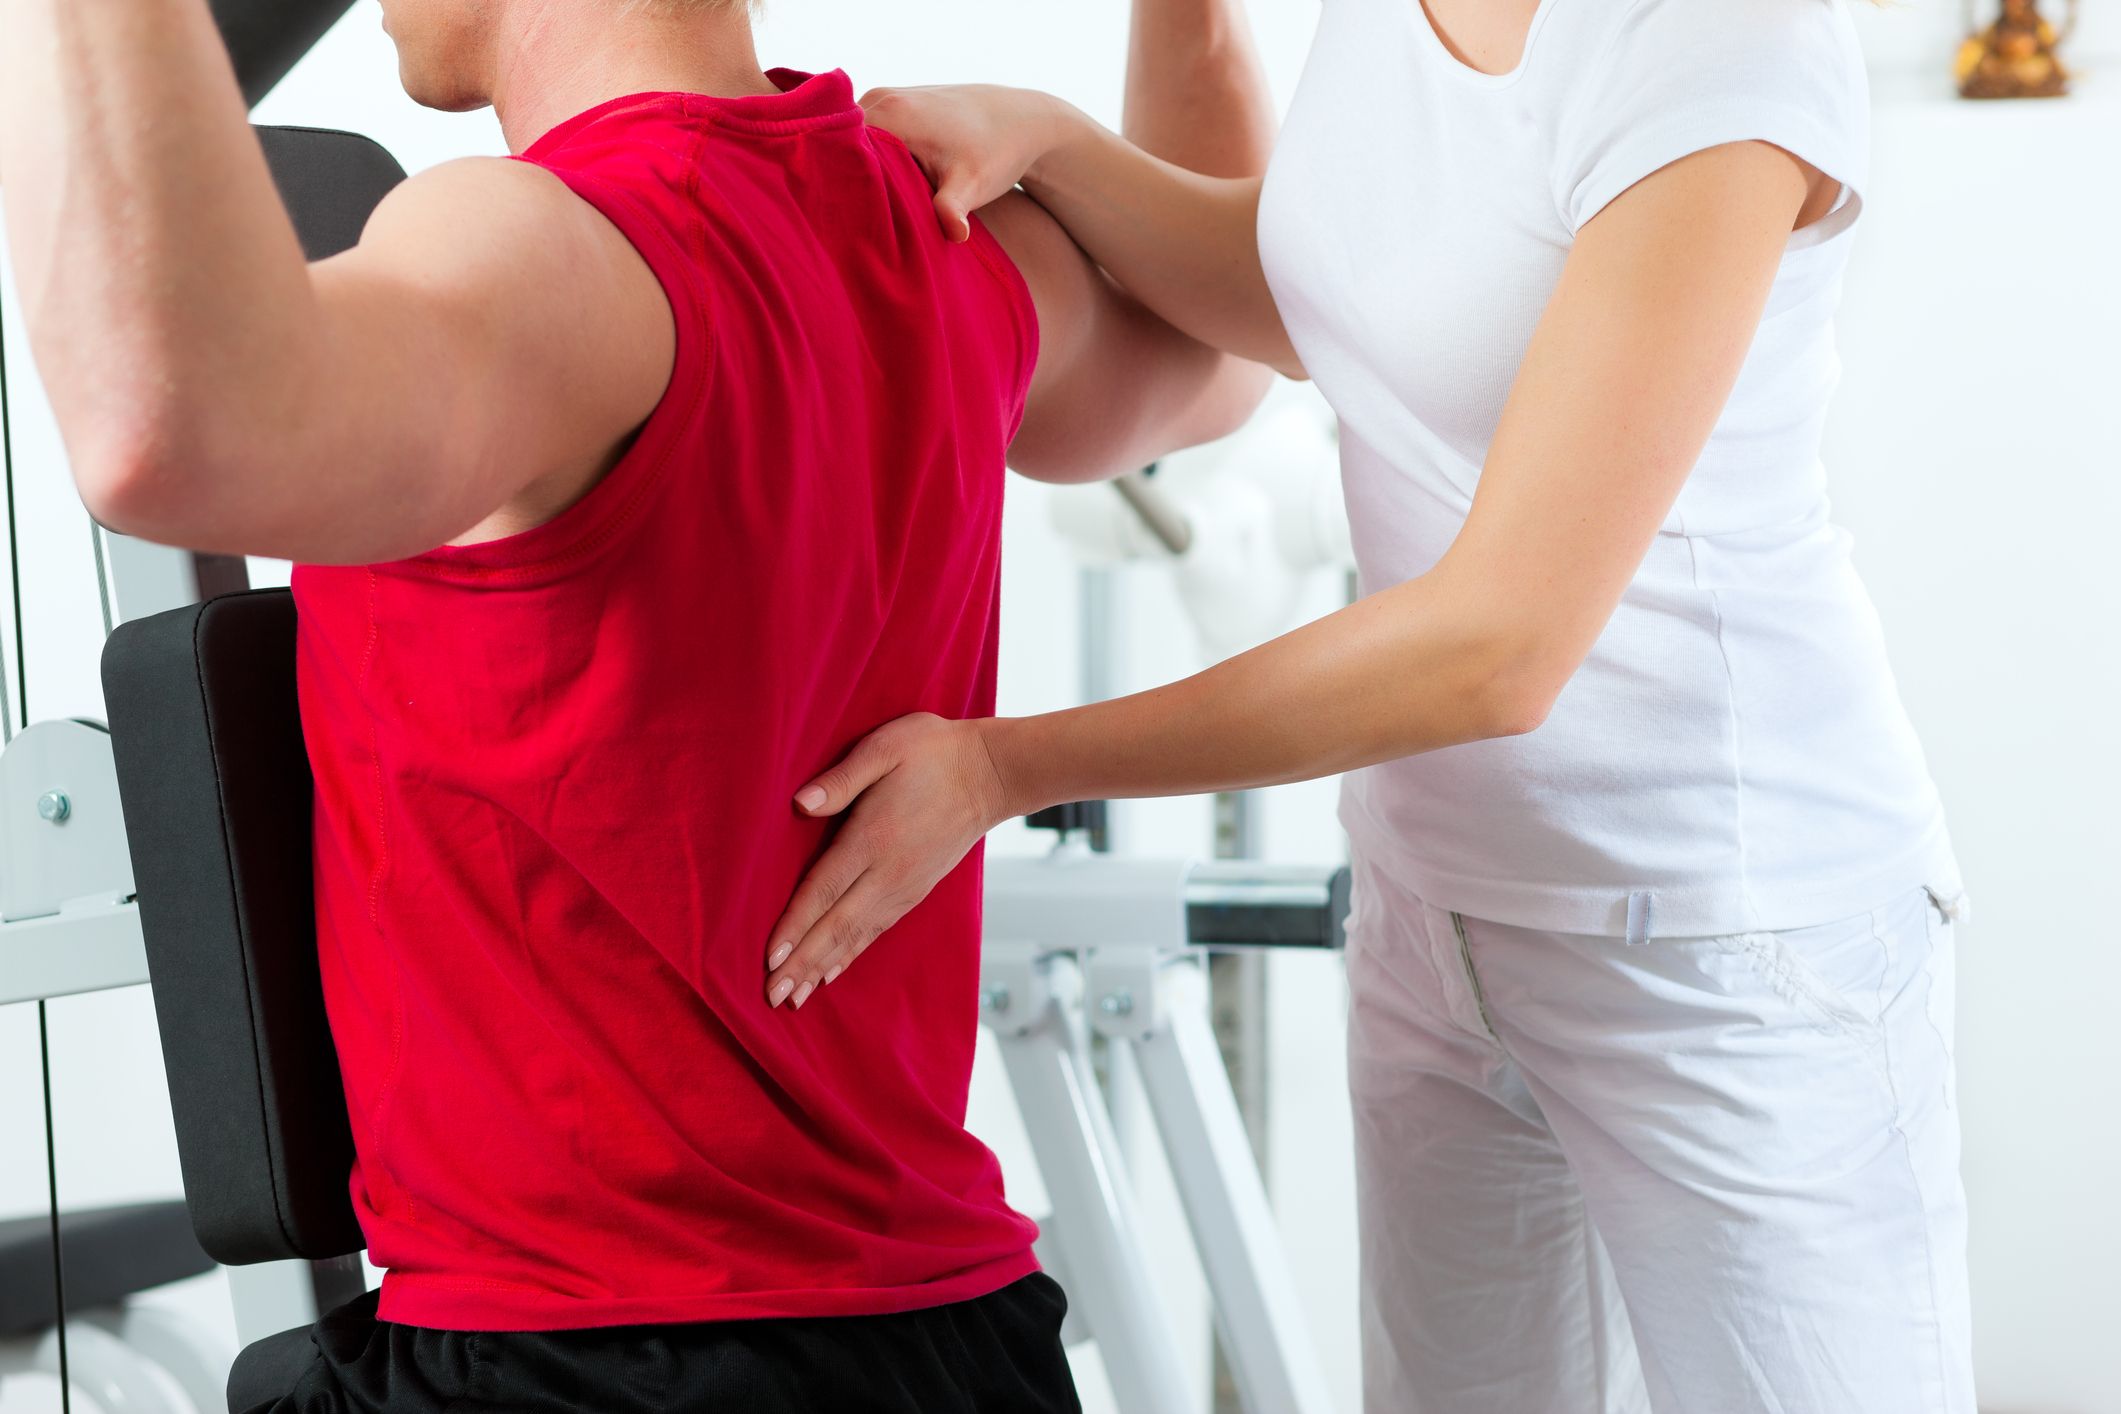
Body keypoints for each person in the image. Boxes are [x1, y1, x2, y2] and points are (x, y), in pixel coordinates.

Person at [0, 0, 1278, 1407]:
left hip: (573, 1369)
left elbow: (162, 423)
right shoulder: (931, 220)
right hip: (957, 1348)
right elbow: (1207, 363)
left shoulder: (542, 242)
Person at [766, 0, 1978, 1409]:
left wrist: (1000, 767)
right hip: (1433, 919)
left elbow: (1498, 643)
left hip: (1721, 938)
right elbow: (1325, 292)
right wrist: (1058, 145)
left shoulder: (1718, 38)